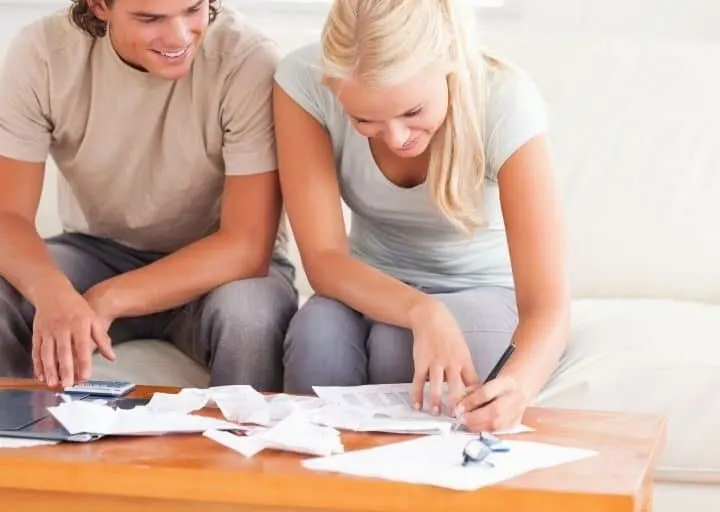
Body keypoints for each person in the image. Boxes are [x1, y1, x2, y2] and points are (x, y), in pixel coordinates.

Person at [273, 0, 570, 432]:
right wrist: (423, 311)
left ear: (448, 64)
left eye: (412, 111)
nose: (395, 137)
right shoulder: (304, 82)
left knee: (399, 346)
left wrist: (518, 387)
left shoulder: (504, 102)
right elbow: (323, 259)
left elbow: (548, 306)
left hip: (482, 289)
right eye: (365, 118)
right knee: (316, 335)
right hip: (370, 282)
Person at [0, 0, 298, 391]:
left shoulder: (247, 60)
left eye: (193, 9)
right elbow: (9, 216)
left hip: (223, 269)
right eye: (149, 18)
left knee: (250, 318)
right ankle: (20, 445)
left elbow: (246, 246)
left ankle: (244, 450)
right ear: (100, 7)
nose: (179, 37)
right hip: (99, 251)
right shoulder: (43, 54)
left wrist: (105, 300)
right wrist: (54, 294)